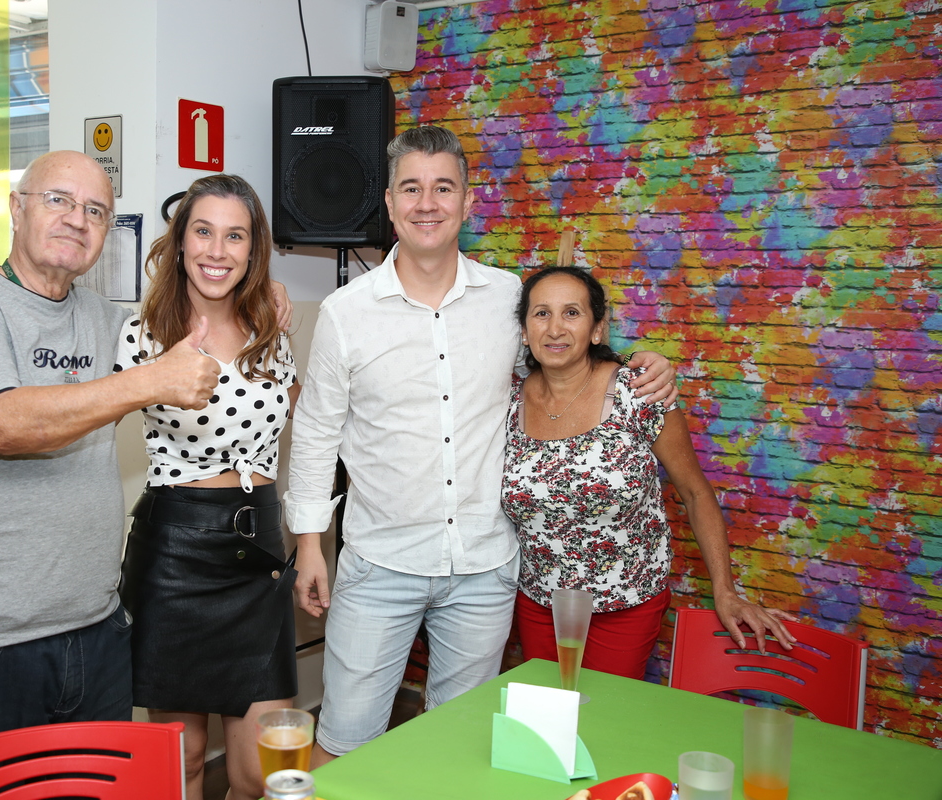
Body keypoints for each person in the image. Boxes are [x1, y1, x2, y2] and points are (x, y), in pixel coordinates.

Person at [285, 126, 678, 765]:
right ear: (389, 203)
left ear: (468, 202)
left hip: (485, 569)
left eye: (443, 188)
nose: (427, 203)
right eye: (411, 188)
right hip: (380, 562)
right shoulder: (344, 313)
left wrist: (644, 364)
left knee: (461, 747)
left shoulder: (507, 299)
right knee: (345, 743)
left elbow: (563, 366)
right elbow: (316, 432)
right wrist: (309, 544)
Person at [0, 151, 229, 757]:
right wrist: (150, 381)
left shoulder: (106, 320)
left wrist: (268, 290)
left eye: (96, 211)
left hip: (95, 636)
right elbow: (2, 425)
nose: (77, 219)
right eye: (58, 200)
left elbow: (204, 303)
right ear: (16, 208)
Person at [502, 266, 797, 680]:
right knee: (548, 710)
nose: (555, 328)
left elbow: (695, 493)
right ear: (524, 330)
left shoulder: (639, 392)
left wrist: (725, 591)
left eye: (572, 313)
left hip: (627, 604)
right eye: (541, 313)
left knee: (607, 713)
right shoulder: (507, 400)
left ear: (597, 328)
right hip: (539, 603)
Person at [113, 174, 299, 800]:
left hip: (259, 555)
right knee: (184, 760)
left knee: (259, 774)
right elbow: (92, 422)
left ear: (253, 249)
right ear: (181, 241)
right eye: (203, 231)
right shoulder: (142, 334)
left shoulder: (270, 329)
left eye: (235, 236)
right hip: (176, 555)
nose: (217, 251)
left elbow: (294, 413)